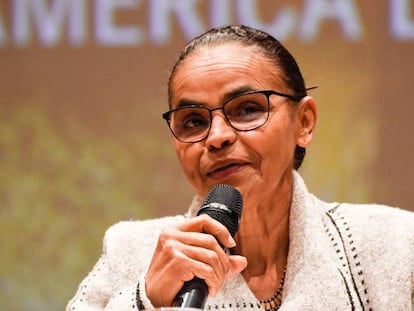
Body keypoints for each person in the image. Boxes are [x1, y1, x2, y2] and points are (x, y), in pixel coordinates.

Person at [66, 25, 414, 311]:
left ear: (304, 122)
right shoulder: (131, 253)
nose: (216, 137)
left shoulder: (394, 244)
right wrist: (144, 299)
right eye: (192, 121)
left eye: (247, 109)